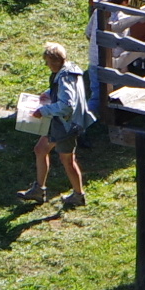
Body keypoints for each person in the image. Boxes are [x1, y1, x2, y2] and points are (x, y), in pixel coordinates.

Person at [30, 40, 93, 208]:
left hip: (66, 125)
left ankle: (78, 195)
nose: (47, 65)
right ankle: (39, 190)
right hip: (60, 123)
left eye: (48, 62)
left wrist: (44, 110)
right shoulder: (69, 70)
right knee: (40, 149)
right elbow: (63, 93)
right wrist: (48, 93)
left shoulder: (65, 77)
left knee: (67, 160)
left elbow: (66, 105)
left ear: (56, 61)